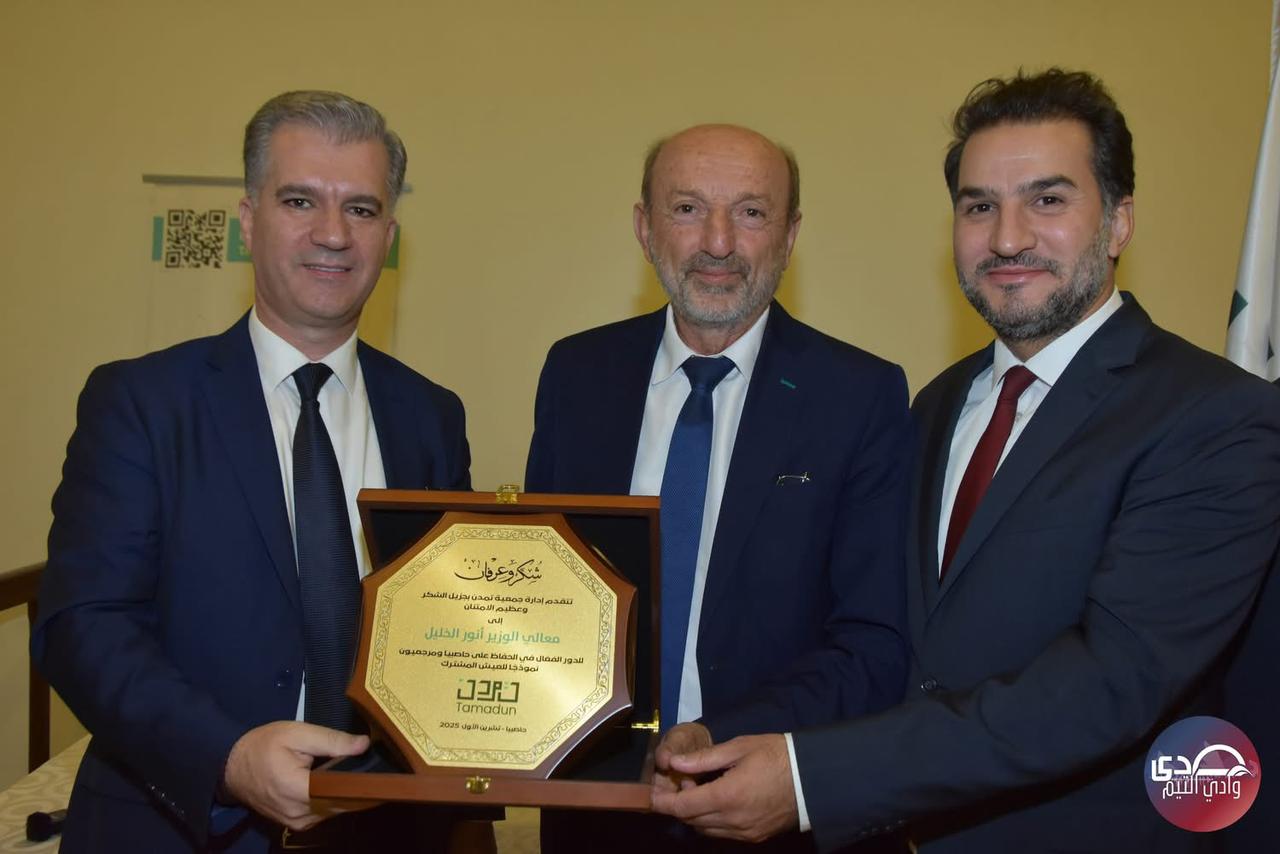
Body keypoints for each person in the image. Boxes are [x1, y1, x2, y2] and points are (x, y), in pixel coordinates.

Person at [650, 70, 1280, 852]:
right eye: (979, 206)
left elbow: (1110, 684)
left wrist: (814, 780)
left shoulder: (1214, 416)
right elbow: (891, 643)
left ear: (1119, 221)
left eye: (1047, 200)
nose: (1008, 238)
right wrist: (731, 733)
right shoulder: (935, 405)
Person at [33, 91, 478, 853]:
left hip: (385, 828)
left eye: (362, 208)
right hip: (180, 825)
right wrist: (227, 758)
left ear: (389, 234)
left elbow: (450, 622)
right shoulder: (141, 402)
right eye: (300, 200)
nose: (333, 233)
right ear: (248, 219)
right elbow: (82, 626)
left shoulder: (431, 415)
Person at [526, 124, 912, 851]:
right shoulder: (577, 375)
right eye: (687, 209)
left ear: (790, 236)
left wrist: (718, 734)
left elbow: (875, 642)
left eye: (752, 213)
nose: (718, 242)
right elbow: (543, 594)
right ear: (645, 228)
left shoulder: (860, 396)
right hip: (593, 811)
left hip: (768, 812)